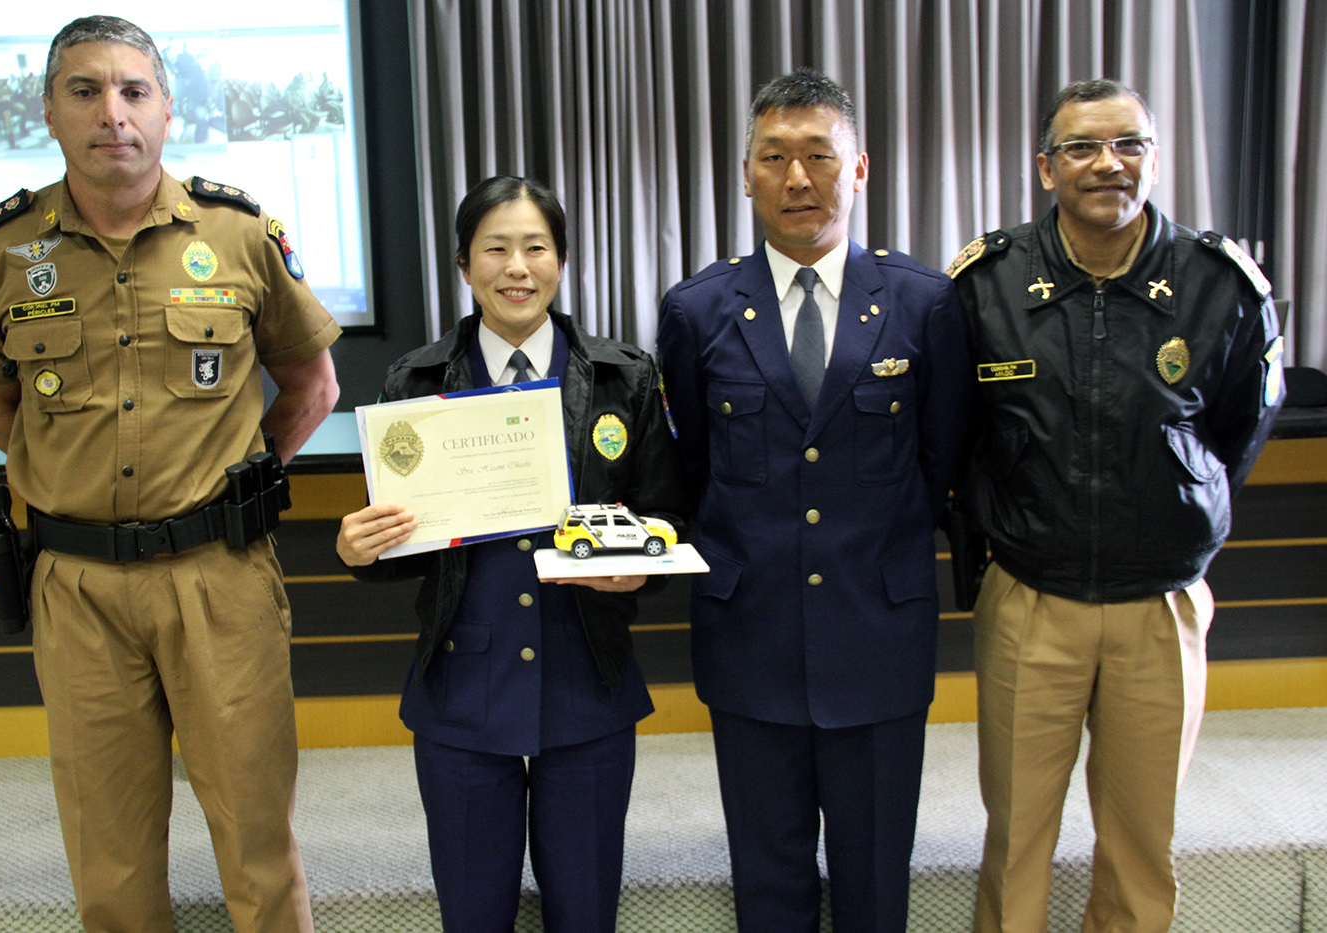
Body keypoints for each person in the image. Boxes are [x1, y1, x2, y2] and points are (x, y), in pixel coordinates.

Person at [0, 15, 340, 933]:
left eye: (133, 91)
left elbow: (312, 385)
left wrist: (235, 478)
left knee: (256, 837)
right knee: (111, 856)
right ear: (49, 113)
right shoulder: (3, 250)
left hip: (220, 578)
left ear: (168, 110)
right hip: (78, 588)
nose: (112, 113)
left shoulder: (238, 233)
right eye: (84, 91)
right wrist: (75, 478)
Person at [946, 79, 1284, 933]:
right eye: (1083, 148)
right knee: (1016, 837)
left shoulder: (1219, 284)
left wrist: (1177, 510)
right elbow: (955, 434)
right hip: (1030, 596)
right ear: (1045, 168)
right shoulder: (987, 283)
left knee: (1143, 842)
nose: (1108, 164)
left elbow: (1238, 430)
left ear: (1155, 159)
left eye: (1129, 144)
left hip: (1160, 605)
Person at [656, 68, 975, 932]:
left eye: (819, 156)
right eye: (774, 157)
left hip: (878, 636)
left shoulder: (924, 302)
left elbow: (940, 462)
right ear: (747, 175)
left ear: (859, 168)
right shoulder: (696, 310)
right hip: (750, 636)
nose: (797, 178)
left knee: (875, 885)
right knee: (768, 884)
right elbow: (691, 470)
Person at [336, 174, 688, 933]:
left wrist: (642, 567)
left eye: (536, 247)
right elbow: (406, 544)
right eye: (496, 249)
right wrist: (360, 548)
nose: (517, 268)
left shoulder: (625, 377)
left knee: (586, 909)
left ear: (562, 259)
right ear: (464, 264)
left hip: (586, 676)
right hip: (463, 683)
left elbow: (664, 515)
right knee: (472, 911)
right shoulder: (414, 381)